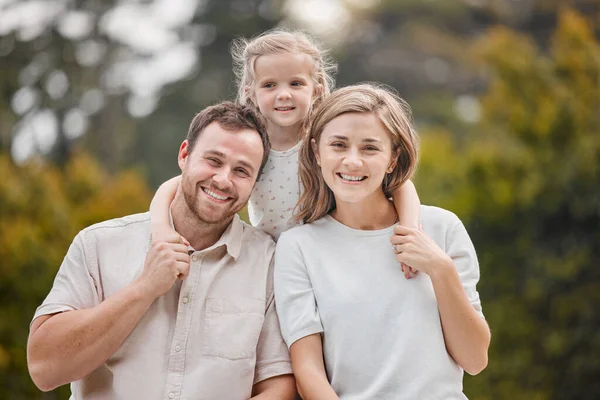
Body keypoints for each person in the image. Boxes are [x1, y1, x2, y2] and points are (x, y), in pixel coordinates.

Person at [27, 102, 296, 399]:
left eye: (242, 171)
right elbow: (44, 369)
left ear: (255, 183)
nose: (223, 179)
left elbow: (279, 385)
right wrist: (144, 287)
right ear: (184, 155)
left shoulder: (268, 262)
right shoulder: (98, 245)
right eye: (214, 160)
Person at [274, 84, 491, 399]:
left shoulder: (442, 228)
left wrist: (440, 269)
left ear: (393, 159)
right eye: (338, 145)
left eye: (370, 148)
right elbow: (308, 374)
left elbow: (474, 360)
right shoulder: (298, 247)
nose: (352, 161)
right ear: (316, 152)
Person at [150, 30, 421, 278]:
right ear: (251, 93)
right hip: (269, 258)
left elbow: (399, 184)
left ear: (315, 90)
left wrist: (409, 232)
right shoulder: (253, 146)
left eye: (295, 84)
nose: (283, 95)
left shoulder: (323, 144)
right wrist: (162, 229)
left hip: (326, 252)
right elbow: (172, 186)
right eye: (269, 85)